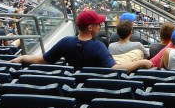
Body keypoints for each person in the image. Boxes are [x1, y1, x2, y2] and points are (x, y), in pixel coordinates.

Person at [12, 10, 152, 72]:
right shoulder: (98, 46)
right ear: (90, 27)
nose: (101, 25)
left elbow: (43, 59)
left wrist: (24, 57)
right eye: (98, 24)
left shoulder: (66, 42)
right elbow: (114, 69)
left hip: (77, 81)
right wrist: (141, 62)